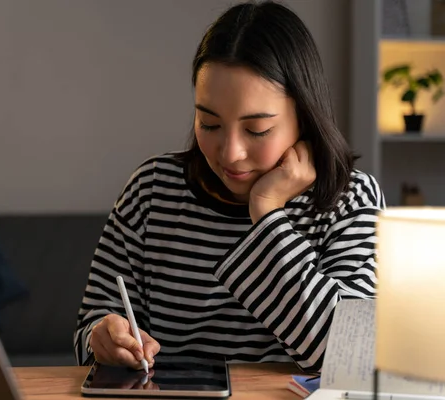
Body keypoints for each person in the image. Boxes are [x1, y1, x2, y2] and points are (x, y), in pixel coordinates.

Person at [73, 0, 385, 373]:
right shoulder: (151, 191)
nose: (231, 153)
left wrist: (267, 212)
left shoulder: (350, 199)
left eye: (257, 130)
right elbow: (89, 333)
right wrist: (102, 337)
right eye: (209, 123)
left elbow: (345, 354)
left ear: (304, 117)